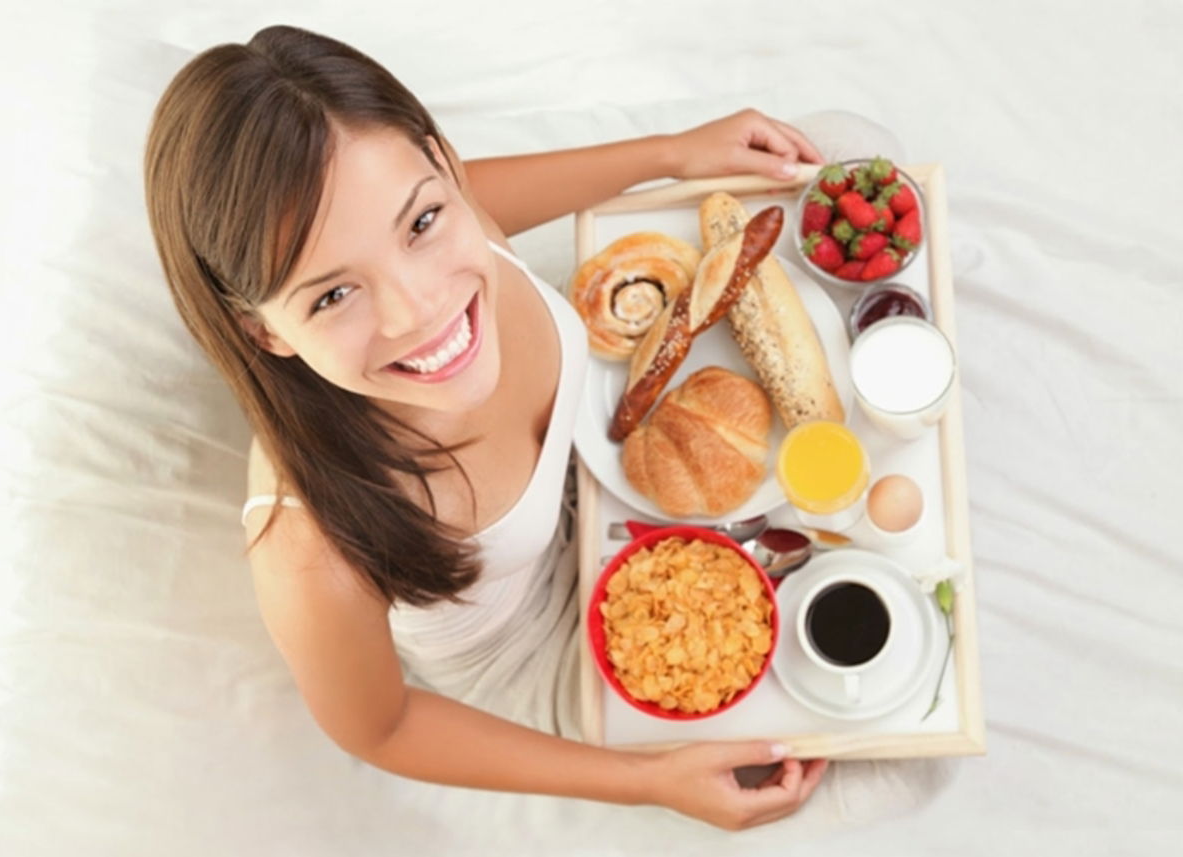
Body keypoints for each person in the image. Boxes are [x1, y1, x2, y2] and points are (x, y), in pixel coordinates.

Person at [143, 24, 919, 832]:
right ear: (263, 332)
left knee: (838, 146)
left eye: (421, 222)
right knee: (894, 773)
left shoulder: (452, 220)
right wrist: (645, 780)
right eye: (333, 295)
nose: (422, 312)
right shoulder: (312, 551)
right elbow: (383, 726)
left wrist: (668, 153)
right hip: (535, 635)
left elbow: (477, 198)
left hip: (614, 461)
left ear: (440, 163)